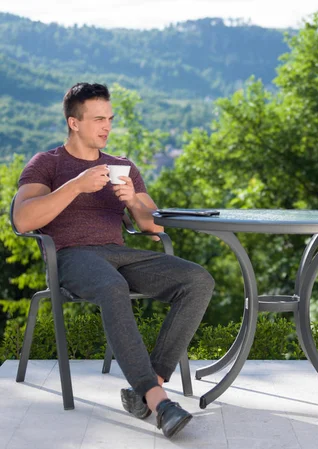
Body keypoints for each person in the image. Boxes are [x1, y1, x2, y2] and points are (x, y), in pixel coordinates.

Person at [13, 83, 214, 438]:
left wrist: (134, 200)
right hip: (72, 257)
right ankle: (159, 401)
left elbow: (153, 226)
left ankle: (148, 386)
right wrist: (75, 185)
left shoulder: (122, 166)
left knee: (198, 280)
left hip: (121, 253)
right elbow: (23, 220)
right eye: (98, 119)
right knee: (111, 286)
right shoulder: (48, 164)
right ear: (74, 123)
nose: (107, 126)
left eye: (110, 118)